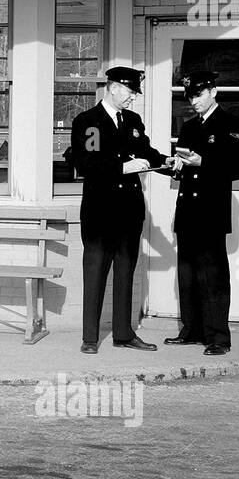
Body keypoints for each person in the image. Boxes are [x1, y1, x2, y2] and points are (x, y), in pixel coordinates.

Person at [70, 65, 172, 354]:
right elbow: (86, 164)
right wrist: (122, 167)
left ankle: (123, 334)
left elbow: (147, 154)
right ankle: (90, 337)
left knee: (126, 273)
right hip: (100, 213)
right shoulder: (89, 121)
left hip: (128, 212)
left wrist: (169, 163)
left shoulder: (133, 121)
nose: (132, 98)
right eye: (129, 92)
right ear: (113, 87)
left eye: (135, 94)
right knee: (95, 273)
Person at [163, 71, 239, 356]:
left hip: (211, 212)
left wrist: (205, 161)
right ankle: (191, 330)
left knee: (213, 276)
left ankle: (218, 337)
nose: (193, 101)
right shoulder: (188, 127)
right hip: (188, 210)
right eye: (189, 97)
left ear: (213, 91)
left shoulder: (231, 124)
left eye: (198, 95)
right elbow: (186, 163)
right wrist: (177, 165)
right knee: (187, 274)